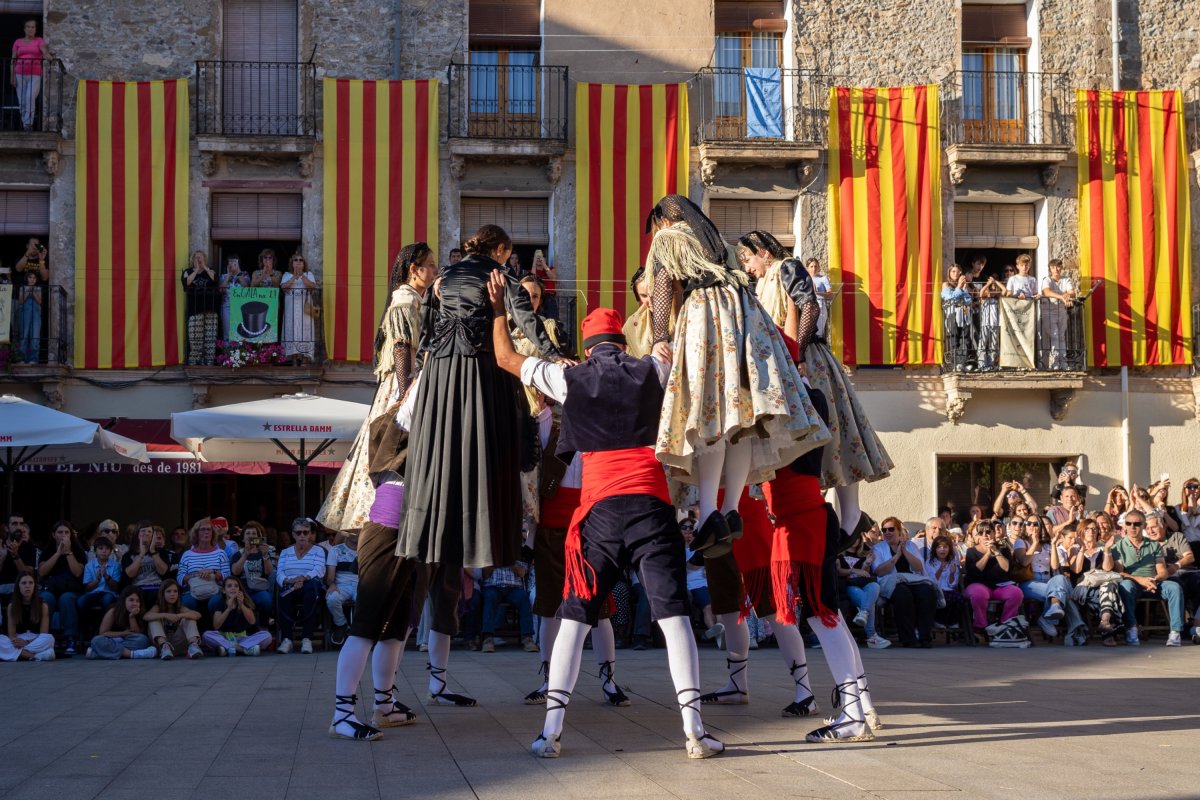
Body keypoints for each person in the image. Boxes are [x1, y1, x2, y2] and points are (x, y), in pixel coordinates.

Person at [490, 285, 724, 760]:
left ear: (588, 346)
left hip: (598, 509)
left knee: (575, 617)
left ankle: (550, 732)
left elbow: (505, 358)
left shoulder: (566, 377)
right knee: (674, 614)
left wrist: (499, 309)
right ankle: (694, 731)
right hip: (651, 504)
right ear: (621, 341)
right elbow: (687, 354)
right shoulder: (652, 368)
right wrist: (665, 334)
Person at [397, 224, 563, 706]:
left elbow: (427, 330)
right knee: (498, 441)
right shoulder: (500, 276)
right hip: (480, 378)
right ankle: (489, 513)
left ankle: (425, 677)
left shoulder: (443, 277)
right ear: (503, 251)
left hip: (440, 382)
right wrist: (553, 356)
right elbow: (525, 323)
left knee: (448, 456)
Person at [646, 199, 828, 557]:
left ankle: (710, 513)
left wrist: (658, 337)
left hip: (705, 317)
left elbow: (663, 286)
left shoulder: (668, 237)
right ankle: (731, 508)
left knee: (709, 412)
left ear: (665, 219)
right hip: (746, 319)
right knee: (742, 418)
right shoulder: (721, 244)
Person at [736, 229, 889, 545]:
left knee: (834, 431)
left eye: (748, 258)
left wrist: (799, 351)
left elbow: (810, 307)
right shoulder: (761, 283)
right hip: (783, 360)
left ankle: (851, 516)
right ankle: (836, 515)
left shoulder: (788, 267)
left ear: (763, 251)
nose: (747, 267)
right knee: (819, 436)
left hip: (806, 358)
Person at [319, 243, 437, 532]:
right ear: (414, 269)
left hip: (404, 380)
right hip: (401, 382)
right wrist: (406, 389)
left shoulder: (414, 299)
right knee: (394, 442)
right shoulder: (405, 299)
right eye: (431, 265)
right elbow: (401, 346)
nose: (435, 270)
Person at [1115, 511, 1186, 646]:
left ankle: (1175, 632)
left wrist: (1154, 580)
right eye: (1129, 523)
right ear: (1125, 525)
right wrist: (1140, 580)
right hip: (1133, 583)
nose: (1132, 527)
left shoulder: (1154, 545)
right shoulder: (1118, 546)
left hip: (1154, 582)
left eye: (1136, 524)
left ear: (1144, 525)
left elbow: (1163, 571)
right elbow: (1120, 573)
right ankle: (1132, 628)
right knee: (1125, 586)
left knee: (1174, 587)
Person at [871, 517, 937, 648]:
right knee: (903, 594)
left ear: (899, 532)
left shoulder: (911, 545)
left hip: (912, 580)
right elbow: (879, 571)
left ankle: (925, 637)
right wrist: (896, 557)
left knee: (928, 592)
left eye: (891, 529)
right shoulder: (878, 548)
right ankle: (908, 638)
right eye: (884, 530)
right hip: (891, 583)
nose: (887, 532)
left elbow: (919, 567)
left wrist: (905, 551)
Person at [963, 521, 1025, 638]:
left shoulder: (1003, 549)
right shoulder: (971, 551)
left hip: (999, 586)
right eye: (981, 532)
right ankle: (981, 626)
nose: (985, 535)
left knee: (1016, 593)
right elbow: (975, 571)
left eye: (988, 532)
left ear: (993, 533)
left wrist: (996, 551)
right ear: (978, 536)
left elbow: (1006, 568)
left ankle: (1005, 624)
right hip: (978, 584)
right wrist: (987, 553)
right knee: (978, 594)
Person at [275, 518, 326, 654]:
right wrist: (290, 581)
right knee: (284, 595)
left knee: (310, 592)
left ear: (310, 534)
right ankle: (287, 639)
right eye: (298, 533)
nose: (302, 535)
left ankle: (307, 639)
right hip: (290, 585)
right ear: (293, 534)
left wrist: (303, 578)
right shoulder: (286, 552)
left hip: (310, 584)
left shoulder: (318, 551)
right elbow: (279, 573)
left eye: (305, 532)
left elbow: (319, 570)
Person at [37, 521, 85, 655]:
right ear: (53, 535)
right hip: (51, 589)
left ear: (71, 535)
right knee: (45, 598)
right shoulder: (47, 552)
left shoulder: (78, 551)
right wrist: (58, 553)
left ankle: (71, 638)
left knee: (66, 599)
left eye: (66, 532)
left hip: (71, 590)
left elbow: (77, 572)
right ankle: (43, 637)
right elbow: (42, 572)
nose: (63, 535)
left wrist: (68, 552)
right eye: (60, 532)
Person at [203, 577, 272, 656]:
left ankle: (229, 648)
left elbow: (252, 621)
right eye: (229, 586)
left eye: (236, 586)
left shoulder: (245, 603)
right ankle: (244, 649)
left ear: (239, 590)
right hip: (225, 637)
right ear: (224, 590)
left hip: (242, 638)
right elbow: (216, 625)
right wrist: (228, 609)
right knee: (206, 635)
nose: (233, 588)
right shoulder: (220, 603)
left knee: (267, 635)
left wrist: (241, 605)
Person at [479, 563, 536, 653]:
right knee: (489, 597)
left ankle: (527, 638)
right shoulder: (490, 552)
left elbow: (522, 573)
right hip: (492, 586)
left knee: (523, 597)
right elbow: (484, 574)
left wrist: (510, 563)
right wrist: (495, 563)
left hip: (513, 587)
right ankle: (488, 638)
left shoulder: (514, 551)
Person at [87, 586, 156, 659]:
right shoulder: (113, 611)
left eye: (137, 601)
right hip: (111, 640)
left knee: (143, 640)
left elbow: (137, 634)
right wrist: (123, 633)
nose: (135, 603)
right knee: (96, 640)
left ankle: (98, 654)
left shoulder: (139, 612)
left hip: (127, 641)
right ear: (124, 600)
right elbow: (103, 633)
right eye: (131, 600)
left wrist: (132, 617)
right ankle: (132, 654)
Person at [177, 518, 230, 612]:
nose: (206, 532)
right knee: (187, 601)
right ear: (196, 534)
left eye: (209, 529)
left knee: (216, 601)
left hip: (215, 591)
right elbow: (180, 578)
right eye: (203, 529)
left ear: (213, 533)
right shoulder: (187, 554)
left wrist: (212, 572)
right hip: (193, 590)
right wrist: (196, 575)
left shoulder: (221, 553)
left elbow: (227, 576)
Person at [144, 579, 203, 660]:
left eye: (175, 591)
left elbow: (197, 615)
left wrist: (179, 615)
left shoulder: (180, 607)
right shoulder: (158, 607)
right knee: (153, 619)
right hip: (162, 645)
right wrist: (165, 615)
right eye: (169, 591)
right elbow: (146, 616)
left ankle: (193, 646)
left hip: (179, 644)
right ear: (162, 593)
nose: (172, 594)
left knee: (189, 617)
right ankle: (164, 647)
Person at [0, 574, 54, 661]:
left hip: (35, 640)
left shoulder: (42, 605)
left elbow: (43, 634)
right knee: (1, 639)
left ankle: (19, 654)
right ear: (18, 586)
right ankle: (34, 656)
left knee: (49, 638)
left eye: (30, 583)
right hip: (18, 639)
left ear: (34, 586)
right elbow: (11, 635)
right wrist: (17, 641)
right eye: (24, 583)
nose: (27, 586)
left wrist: (27, 643)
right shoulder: (12, 606)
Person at [10, 20, 50, 131]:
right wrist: (12, 76)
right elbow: (13, 60)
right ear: (24, 29)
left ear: (35, 29)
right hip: (19, 73)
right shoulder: (17, 42)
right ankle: (25, 124)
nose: (30, 29)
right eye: (28, 27)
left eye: (33, 27)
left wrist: (48, 55)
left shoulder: (39, 41)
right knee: (22, 100)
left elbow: (45, 52)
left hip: (35, 74)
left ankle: (29, 124)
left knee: (29, 97)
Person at [281, 252, 318, 365]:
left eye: (300, 260)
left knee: (304, 330)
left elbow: (312, 286)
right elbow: (284, 287)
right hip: (291, 308)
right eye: (295, 260)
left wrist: (301, 276)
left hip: (304, 308)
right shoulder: (287, 275)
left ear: (303, 263)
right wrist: (294, 277)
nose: (298, 262)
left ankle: (305, 359)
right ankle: (293, 359)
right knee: (291, 328)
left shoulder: (308, 274)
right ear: (292, 263)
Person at [122, 521, 170, 609]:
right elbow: (130, 574)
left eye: (149, 532)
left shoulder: (161, 552)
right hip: (137, 588)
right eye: (143, 531)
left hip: (156, 587)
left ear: (153, 535)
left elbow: (163, 571)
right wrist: (141, 554)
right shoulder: (128, 555)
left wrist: (152, 551)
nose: (146, 534)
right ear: (137, 534)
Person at [182, 250, 218, 365]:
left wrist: (205, 268)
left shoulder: (210, 271)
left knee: (210, 338)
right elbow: (186, 283)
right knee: (195, 337)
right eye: (196, 258)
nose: (198, 260)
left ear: (205, 259)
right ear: (192, 260)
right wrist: (196, 270)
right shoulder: (187, 272)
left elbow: (215, 280)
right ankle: (195, 362)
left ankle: (209, 361)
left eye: (201, 257)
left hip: (210, 309)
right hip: (195, 310)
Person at [1039, 258, 1075, 370]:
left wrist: (1066, 296)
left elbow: (1072, 292)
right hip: (1049, 312)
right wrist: (1062, 297)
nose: (1056, 269)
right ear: (1050, 269)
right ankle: (1054, 364)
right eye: (1053, 267)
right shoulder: (1047, 279)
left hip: (1061, 311)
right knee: (1054, 337)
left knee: (1061, 338)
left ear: (1061, 268)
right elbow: (1046, 291)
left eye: (1058, 267)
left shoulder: (1066, 279)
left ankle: (1063, 364)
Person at [231, 521, 274, 613]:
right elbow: (235, 572)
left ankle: (264, 626)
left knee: (266, 599)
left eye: (254, 533)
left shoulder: (262, 552)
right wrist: (245, 555)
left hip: (259, 589)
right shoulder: (237, 555)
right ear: (243, 538)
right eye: (248, 533)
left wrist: (266, 555)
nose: (251, 536)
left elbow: (269, 572)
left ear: (259, 538)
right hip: (242, 590)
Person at [325, 532, 359, 644]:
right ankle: (341, 624)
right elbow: (330, 576)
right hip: (341, 585)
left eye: (359, 530)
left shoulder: (367, 549)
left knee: (367, 600)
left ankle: (359, 629)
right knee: (332, 598)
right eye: (353, 530)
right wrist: (332, 584)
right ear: (346, 532)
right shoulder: (335, 550)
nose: (356, 533)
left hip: (361, 584)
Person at [77, 537, 121, 617]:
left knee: (107, 600)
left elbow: (116, 588)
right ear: (95, 551)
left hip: (109, 593)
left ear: (111, 551)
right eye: (101, 548)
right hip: (93, 593)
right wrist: (97, 580)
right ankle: (89, 626)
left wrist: (107, 577)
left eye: (107, 549)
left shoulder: (115, 565)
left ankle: (105, 624)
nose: (104, 551)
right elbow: (87, 588)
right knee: (81, 601)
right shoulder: (89, 566)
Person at [941, 264, 974, 371]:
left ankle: (962, 364)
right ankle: (954, 364)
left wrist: (962, 288)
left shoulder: (963, 285)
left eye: (958, 272)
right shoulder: (946, 285)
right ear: (949, 273)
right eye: (953, 271)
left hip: (964, 315)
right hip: (952, 315)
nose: (955, 274)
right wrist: (959, 287)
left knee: (965, 339)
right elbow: (951, 298)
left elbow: (968, 301)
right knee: (954, 339)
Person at [218, 253, 250, 339]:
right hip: (227, 306)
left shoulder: (245, 274)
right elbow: (221, 290)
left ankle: (240, 351)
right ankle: (227, 351)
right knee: (227, 331)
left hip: (241, 306)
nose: (232, 264)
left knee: (240, 331)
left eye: (234, 262)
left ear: (238, 263)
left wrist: (238, 273)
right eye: (230, 262)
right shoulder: (223, 276)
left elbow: (247, 288)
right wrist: (228, 275)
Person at [15, 268, 41, 363]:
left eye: (34, 278)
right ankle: (21, 358)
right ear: (27, 279)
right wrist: (28, 291)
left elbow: (39, 301)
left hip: (36, 315)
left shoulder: (38, 289)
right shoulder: (22, 288)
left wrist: (33, 291)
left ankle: (33, 359)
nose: (32, 279)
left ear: (36, 280)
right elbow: (21, 301)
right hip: (24, 314)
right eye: (30, 277)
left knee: (35, 337)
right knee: (23, 336)